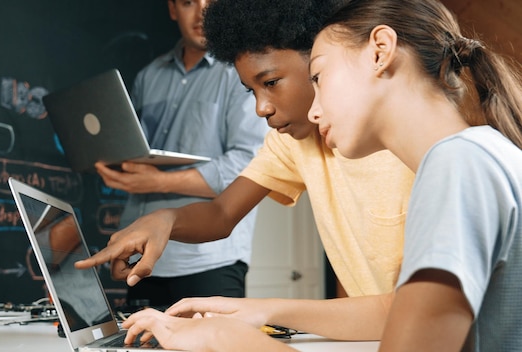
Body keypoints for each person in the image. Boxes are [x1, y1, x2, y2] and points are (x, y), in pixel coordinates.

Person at [107, 0, 522, 350]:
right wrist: (259, 311)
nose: (315, 108)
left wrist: (229, 341)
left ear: (380, 50)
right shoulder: (473, 156)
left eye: (319, 78)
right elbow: (392, 309)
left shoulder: (457, 166)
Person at [78, 0, 415, 339]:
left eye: (271, 82)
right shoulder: (291, 142)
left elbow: (413, 310)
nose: (260, 108)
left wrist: (258, 313)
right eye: (251, 90)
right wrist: (166, 219)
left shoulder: (412, 151)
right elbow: (222, 213)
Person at [93, 0, 267, 308]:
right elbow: (138, 151)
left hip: (210, 259)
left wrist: (157, 182)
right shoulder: (149, 76)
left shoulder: (240, 73)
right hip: (144, 253)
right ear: (173, 9)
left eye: (211, 3)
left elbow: (248, 165)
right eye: (189, 2)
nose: (202, 12)